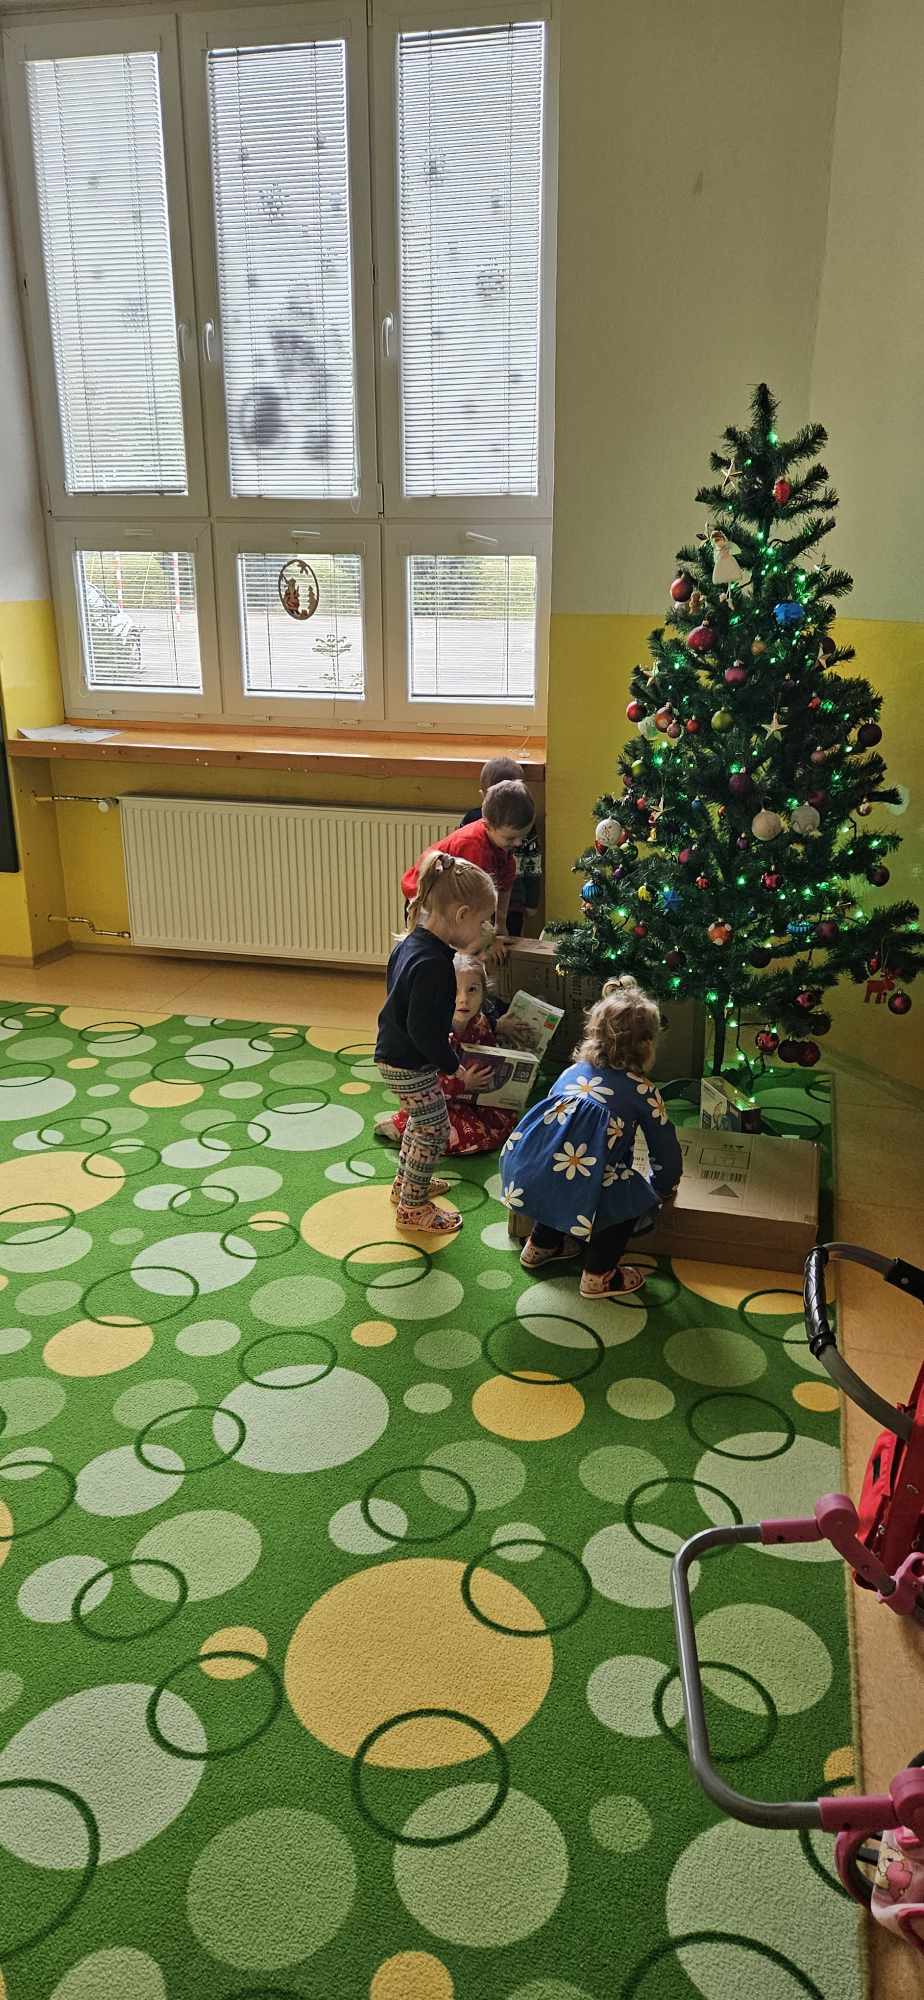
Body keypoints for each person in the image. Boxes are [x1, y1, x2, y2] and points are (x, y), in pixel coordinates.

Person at [500, 976, 683, 1299]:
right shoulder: (643, 1091)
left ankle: (540, 1245)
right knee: (625, 1194)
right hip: (578, 1177)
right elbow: (664, 1148)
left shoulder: (571, 1072)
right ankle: (599, 1274)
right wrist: (662, 1187)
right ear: (646, 1045)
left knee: (564, 1174)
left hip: (529, 1168)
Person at [376, 852, 497, 1235]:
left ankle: (407, 1184)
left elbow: (401, 1003)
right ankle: (412, 1208)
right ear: (461, 914)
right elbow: (423, 1030)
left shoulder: (412, 943)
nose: (484, 929)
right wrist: (452, 1065)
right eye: (482, 921)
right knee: (434, 1128)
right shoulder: (435, 965)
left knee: (421, 1121)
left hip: (395, 1052)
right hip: (409, 1062)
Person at [375, 954, 518, 1157]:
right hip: (437, 1099)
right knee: (461, 1134)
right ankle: (401, 1124)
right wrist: (462, 1084)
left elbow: (489, 1051)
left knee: (505, 1119)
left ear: (483, 994)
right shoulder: (433, 1032)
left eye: (472, 990)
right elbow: (425, 1080)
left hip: (473, 1096)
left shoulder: (480, 1022)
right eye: (453, 990)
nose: (463, 999)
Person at [401, 779, 535, 954]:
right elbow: (472, 905)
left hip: (454, 902)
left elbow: (505, 886)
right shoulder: (473, 848)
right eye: (510, 838)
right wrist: (489, 940)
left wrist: (500, 925)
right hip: (426, 900)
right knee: (438, 953)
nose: (518, 843)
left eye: (522, 837)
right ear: (487, 826)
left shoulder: (503, 846)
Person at [459, 757, 542, 938]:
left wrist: (531, 901)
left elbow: (532, 863)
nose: (517, 843)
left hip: (513, 902)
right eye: (510, 838)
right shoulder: (473, 840)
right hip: (474, 901)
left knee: (509, 941)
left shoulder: (523, 823)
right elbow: (473, 888)